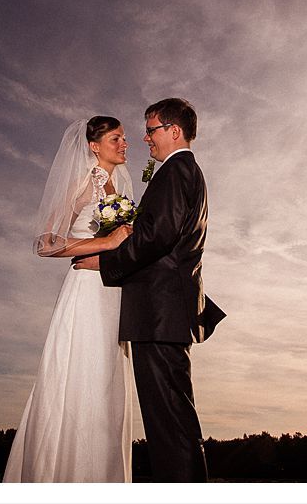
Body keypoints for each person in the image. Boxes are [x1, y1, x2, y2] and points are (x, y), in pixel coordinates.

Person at [73, 98, 225, 482]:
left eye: (151, 129)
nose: (144, 139)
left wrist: (105, 262)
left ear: (174, 131)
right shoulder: (186, 172)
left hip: (159, 316)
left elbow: (157, 235)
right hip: (167, 313)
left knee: (170, 425)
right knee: (172, 420)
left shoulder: (175, 171)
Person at [2, 116, 137, 482]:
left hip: (115, 296)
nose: (125, 143)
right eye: (116, 138)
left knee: (108, 386)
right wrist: (106, 243)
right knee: (83, 379)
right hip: (87, 294)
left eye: (124, 138)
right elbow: (45, 243)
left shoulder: (120, 187)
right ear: (94, 146)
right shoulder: (81, 182)